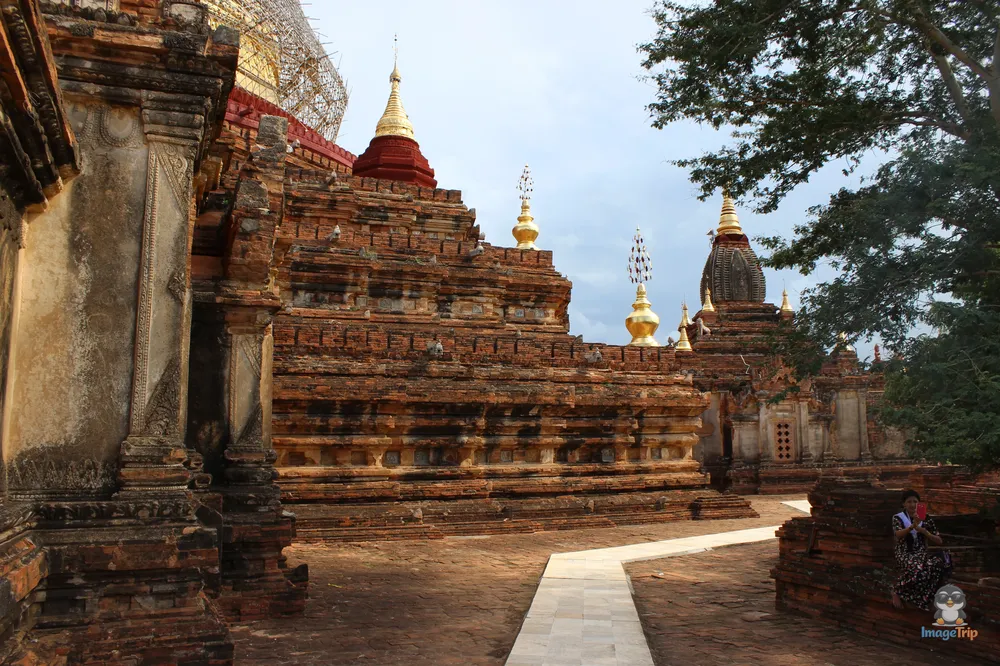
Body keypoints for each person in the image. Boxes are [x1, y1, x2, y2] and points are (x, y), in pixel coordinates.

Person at [891, 489, 947, 610]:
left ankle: (924, 599)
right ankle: (897, 590)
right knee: (918, 570)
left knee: (937, 566)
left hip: (921, 553)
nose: (912, 505)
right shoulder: (898, 518)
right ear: (904, 504)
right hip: (905, 553)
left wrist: (924, 531)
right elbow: (898, 535)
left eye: (915, 502)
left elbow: (939, 540)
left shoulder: (925, 518)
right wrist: (912, 527)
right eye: (909, 502)